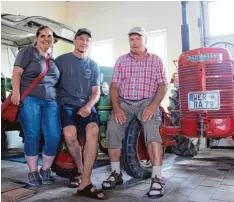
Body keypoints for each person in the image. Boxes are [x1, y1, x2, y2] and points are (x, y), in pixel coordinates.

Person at [102, 26, 168, 198]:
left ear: (145, 40)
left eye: (138, 39)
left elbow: (162, 85)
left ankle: (157, 177)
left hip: (147, 102)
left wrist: (153, 105)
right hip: (125, 103)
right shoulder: (122, 60)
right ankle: (116, 173)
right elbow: (114, 85)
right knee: (113, 129)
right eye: (131, 39)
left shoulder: (155, 60)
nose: (134, 42)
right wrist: (117, 108)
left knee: (151, 129)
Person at [55, 28, 108, 200]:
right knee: (69, 136)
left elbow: (96, 91)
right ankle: (80, 169)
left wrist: (89, 105)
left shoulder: (93, 65)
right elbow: (50, 82)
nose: (84, 42)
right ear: (74, 40)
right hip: (66, 105)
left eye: (87, 40)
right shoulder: (61, 61)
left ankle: (85, 181)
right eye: (81, 39)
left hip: (86, 105)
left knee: (92, 131)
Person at [11, 26, 61, 187]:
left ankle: (45, 170)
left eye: (50, 36)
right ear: (36, 37)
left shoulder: (52, 59)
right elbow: (17, 72)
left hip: (50, 101)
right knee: (32, 135)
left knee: (53, 135)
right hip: (31, 98)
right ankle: (33, 172)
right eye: (43, 35)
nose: (47, 38)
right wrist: (16, 93)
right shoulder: (28, 52)